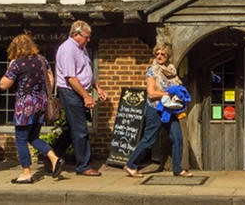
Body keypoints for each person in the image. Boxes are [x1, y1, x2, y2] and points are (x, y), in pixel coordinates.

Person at [0, 33, 63, 184]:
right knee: (32, 137)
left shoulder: (17, 64)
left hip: (25, 105)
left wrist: (9, 69)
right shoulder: (42, 60)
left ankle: (26, 174)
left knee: (21, 139)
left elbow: (3, 85)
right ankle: (54, 159)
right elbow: (51, 79)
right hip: (41, 104)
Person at [123, 44, 193, 178]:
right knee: (149, 139)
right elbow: (151, 94)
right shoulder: (152, 72)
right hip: (155, 109)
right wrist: (169, 94)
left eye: (163, 54)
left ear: (168, 56)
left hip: (170, 110)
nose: (159, 56)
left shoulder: (172, 71)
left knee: (177, 138)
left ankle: (177, 168)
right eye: (157, 54)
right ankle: (131, 165)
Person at [54, 20, 107, 176]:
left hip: (78, 91)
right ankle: (83, 166)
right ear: (76, 34)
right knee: (80, 130)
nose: (89, 39)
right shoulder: (68, 49)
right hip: (70, 92)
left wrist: (97, 87)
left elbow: (85, 71)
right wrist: (86, 97)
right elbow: (71, 78)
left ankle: (51, 156)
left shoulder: (81, 48)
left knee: (73, 128)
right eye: (87, 36)